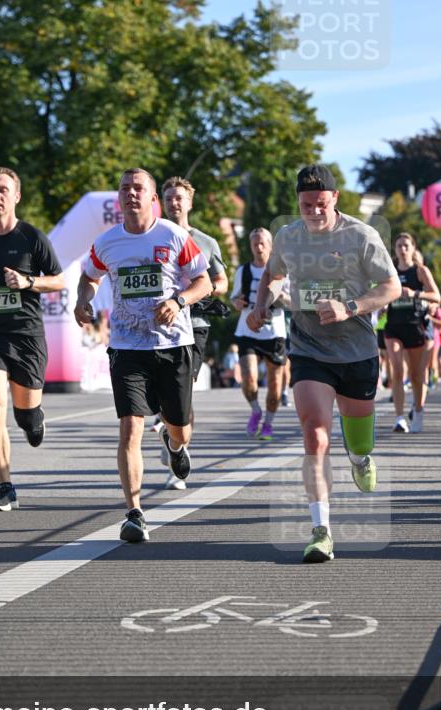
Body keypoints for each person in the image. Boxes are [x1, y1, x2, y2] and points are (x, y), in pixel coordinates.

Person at [247, 164, 401, 564]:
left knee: (358, 440)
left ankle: (360, 458)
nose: (313, 212)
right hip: (308, 347)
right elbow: (272, 274)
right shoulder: (287, 237)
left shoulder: (360, 236)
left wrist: (350, 307)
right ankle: (321, 531)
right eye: (305, 205)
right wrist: (262, 304)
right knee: (315, 436)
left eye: (320, 204)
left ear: (335, 199)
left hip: (357, 352)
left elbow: (391, 286)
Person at [74, 167, 210, 543]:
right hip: (127, 347)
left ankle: (174, 441)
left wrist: (178, 300)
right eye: (124, 189)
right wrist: (82, 301)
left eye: (139, 188)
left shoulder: (173, 235)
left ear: (153, 197)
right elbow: (89, 276)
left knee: (180, 425)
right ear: (118, 198)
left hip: (172, 345)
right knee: (130, 427)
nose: (131, 194)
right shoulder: (107, 242)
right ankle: (134, 512)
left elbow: (205, 281)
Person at [0, 167, 65, 510]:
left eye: (2, 190)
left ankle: (33, 418)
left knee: (24, 415)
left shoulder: (31, 237)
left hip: (27, 335)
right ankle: (5, 486)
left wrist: (28, 282)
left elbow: (58, 280)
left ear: (16, 196)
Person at [156, 176, 228, 488]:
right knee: (161, 392)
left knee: (183, 389)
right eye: (169, 197)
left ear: (190, 203)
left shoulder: (206, 242)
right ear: (161, 201)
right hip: (156, 325)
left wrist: (201, 293)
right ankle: (169, 428)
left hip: (194, 324)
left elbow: (221, 282)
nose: (175, 203)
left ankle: (178, 455)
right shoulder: (150, 236)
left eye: (180, 198)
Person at [231, 227, 290, 441]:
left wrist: (280, 294)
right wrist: (237, 303)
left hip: (274, 333)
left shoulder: (283, 272)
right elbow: (234, 299)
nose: (258, 247)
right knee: (249, 378)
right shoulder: (243, 271)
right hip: (247, 331)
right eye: (255, 244)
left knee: (275, 384)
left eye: (262, 243)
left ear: (271, 246)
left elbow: (293, 302)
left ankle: (269, 423)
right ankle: (256, 410)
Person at [384, 232, 441, 433]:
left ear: (413, 248)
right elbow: (380, 293)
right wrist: (382, 304)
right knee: (398, 370)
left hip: (415, 326)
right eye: (399, 246)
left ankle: (418, 411)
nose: (403, 249)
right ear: (395, 250)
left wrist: (415, 293)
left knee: (417, 376)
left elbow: (437, 296)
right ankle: (399, 418)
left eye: (407, 245)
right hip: (393, 327)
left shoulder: (420, 271)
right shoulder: (388, 271)